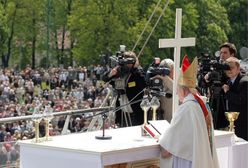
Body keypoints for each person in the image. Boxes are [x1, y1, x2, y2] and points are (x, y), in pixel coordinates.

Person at [159, 56, 219, 168]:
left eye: (177, 89)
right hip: (201, 160)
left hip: (188, 162)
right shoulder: (203, 105)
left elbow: (167, 150)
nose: (176, 93)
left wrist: (161, 138)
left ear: (183, 89)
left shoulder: (186, 109)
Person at [102, 51, 146, 127]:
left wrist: (135, 68)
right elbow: (104, 79)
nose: (127, 64)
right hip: (122, 110)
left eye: (129, 61)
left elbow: (144, 83)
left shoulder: (138, 72)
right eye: (125, 61)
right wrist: (110, 74)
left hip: (135, 111)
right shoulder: (119, 71)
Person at [204, 42, 237, 129]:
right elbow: (205, 84)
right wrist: (208, 78)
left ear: (232, 54)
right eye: (221, 52)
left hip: (228, 110)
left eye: (225, 53)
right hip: (215, 105)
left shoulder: (237, 71)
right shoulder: (216, 69)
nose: (222, 55)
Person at [222, 57, 248, 140]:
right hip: (233, 123)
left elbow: (241, 100)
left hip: (243, 124)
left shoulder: (244, 81)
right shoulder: (230, 80)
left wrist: (227, 92)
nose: (229, 70)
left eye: (232, 67)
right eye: (227, 68)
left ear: (238, 68)